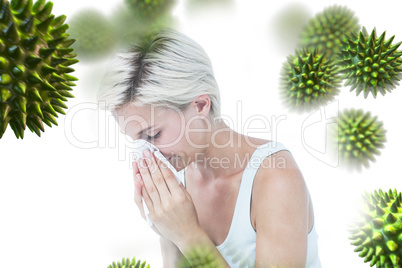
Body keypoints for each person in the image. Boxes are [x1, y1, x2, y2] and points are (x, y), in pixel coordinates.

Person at [97, 29, 321, 268]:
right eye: (136, 140)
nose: (147, 153)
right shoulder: (178, 178)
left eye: (153, 134)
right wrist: (166, 231)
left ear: (201, 105)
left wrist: (187, 235)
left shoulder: (276, 178)